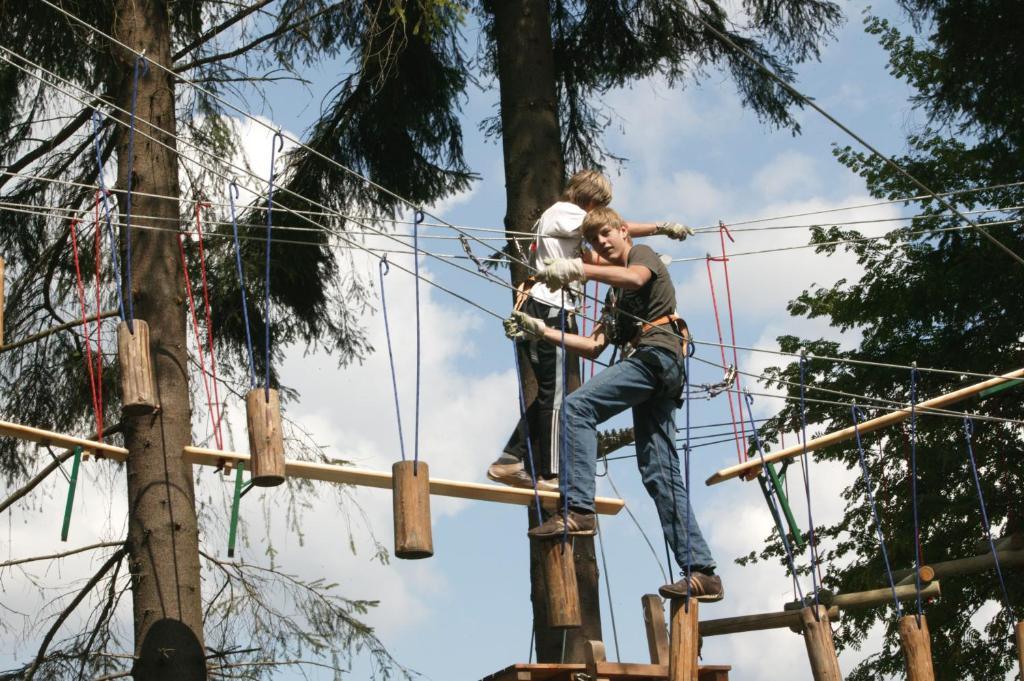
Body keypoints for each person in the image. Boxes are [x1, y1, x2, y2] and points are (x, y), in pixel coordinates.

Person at [503, 206, 722, 601]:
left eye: (607, 234)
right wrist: (541, 329)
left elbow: (636, 278)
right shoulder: (612, 293)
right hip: (653, 372)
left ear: (624, 231)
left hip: (657, 357)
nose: (602, 243)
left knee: (576, 407)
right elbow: (594, 347)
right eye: (594, 241)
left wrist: (579, 270)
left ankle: (579, 509)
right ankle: (702, 571)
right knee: (659, 472)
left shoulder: (643, 257)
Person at [488, 170, 694, 493]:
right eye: (597, 205)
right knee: (558, 397)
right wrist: (661, 228)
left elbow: (597, 257)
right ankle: (552, 473)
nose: (595, 219)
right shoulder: (567, 212)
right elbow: (610, 229)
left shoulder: (561, 229)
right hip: (551, 305)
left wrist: (629, 265)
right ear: (588, 198)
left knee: (548, 392)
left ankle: (511, 458)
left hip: (541, 308)